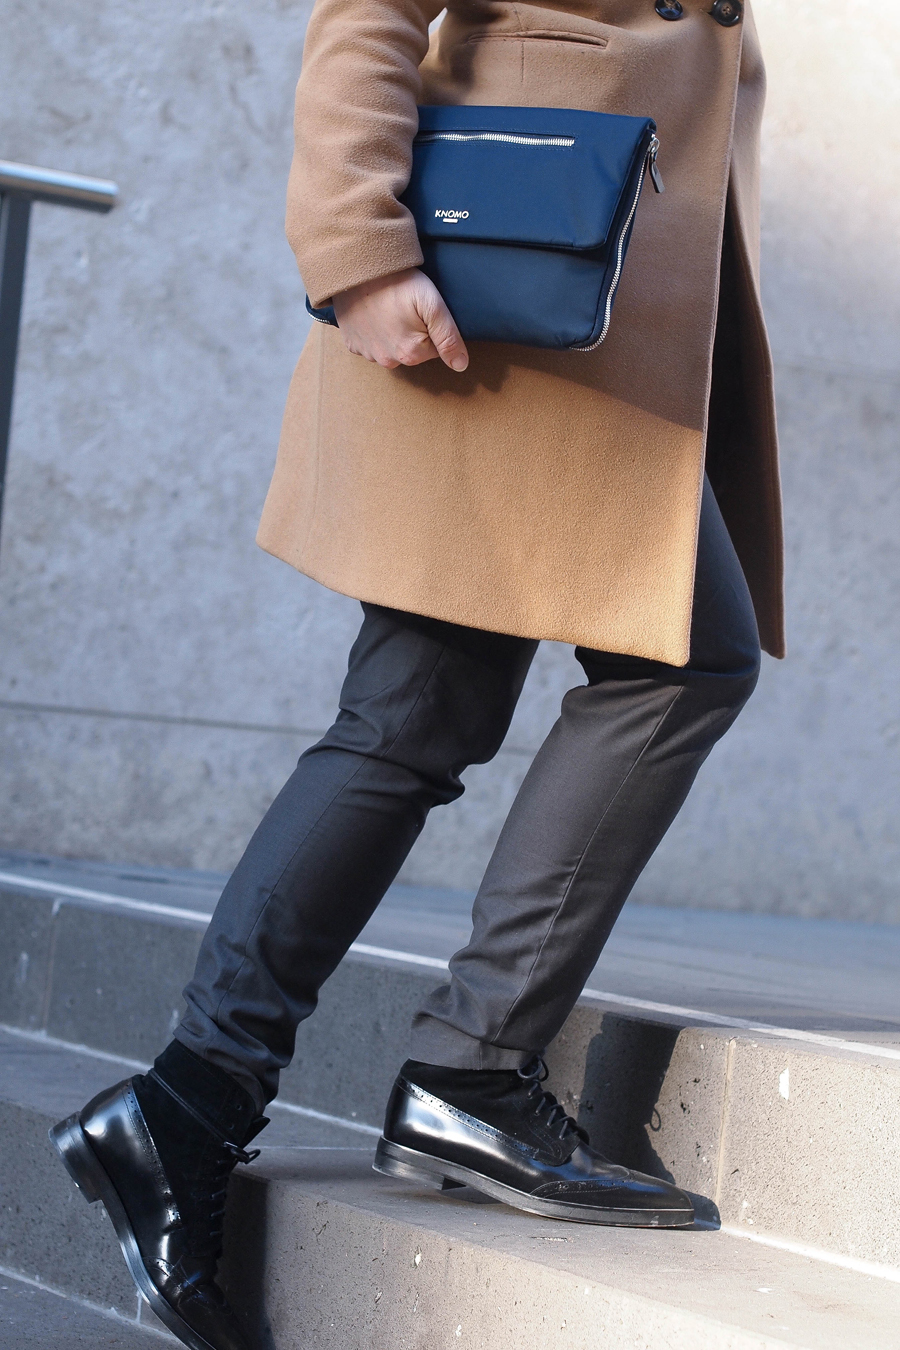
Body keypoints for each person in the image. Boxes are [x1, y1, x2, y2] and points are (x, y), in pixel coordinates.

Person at [50, 0, 784, 1347]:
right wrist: (361, 248)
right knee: (661, 665)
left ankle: (208, 1100)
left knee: (420, 711)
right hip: (512, 277)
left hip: (583, 285)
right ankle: (455, 1069)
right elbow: (367, 14)